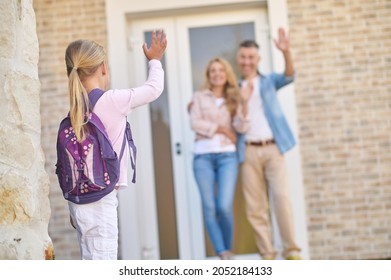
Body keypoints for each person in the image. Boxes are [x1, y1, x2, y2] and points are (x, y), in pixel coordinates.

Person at [64, 30, 167, 260]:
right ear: (103, 67)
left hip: (78, 200)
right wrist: (155, 61)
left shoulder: (76, 109)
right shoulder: (111, 100)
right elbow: (154, 89)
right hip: (101, 199)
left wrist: (73, 202)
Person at [236, 28, 301, 260]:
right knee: (255, 207)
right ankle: (268, 254)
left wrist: (286, 52)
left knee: (281, 198)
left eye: (251, 57)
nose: (247, 61)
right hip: (248, 151)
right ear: (238, 58)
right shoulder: (234, 88)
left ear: (258, 59)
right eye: (243, 57)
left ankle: (291, 250)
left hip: (273, 148)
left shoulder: (268, 81)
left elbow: (290, 75)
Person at [189, 57, 251, 260]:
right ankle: (222, 252)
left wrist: (245, 102)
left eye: (221, 70)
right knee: (209, 206)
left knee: (223, 206)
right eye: (213, 70)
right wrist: (222, 129)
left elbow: (242, 127)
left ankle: (228, 248)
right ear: (208, 75)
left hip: (227, 156)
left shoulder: (234, 99)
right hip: (202, 157)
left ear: (227, 75)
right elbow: (194, 123)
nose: (217, 74)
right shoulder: (198, 97)